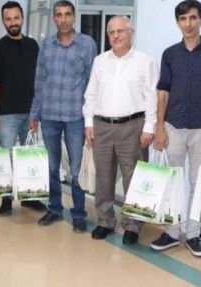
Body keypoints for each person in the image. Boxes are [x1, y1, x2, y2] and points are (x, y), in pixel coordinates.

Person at [150, 0, 201, 257]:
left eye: (193, 17)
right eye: (183, 19)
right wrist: (160, 128)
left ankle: (193, 234)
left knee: (198, 182)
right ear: (178, 22)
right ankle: (173, 232)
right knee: (173, 179)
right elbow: (163, 92)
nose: (188, 23)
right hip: (173, 126)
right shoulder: (170, 54)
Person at [83, 16, 158, 245]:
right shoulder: (100, 61)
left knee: (133, 178)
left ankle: (133, 225)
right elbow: (91, 94)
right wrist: (88, 123)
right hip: (102, 127)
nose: (115, 36)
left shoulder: (145, 61)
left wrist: (149, 127)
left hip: (132, 127)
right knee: (103, 178)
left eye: (120, 31)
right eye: (111, 32)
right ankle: (105, 220)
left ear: (131, 32)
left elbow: (152, 97)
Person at [29, 0, 97, 232]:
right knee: (51, 166)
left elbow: (92, 83)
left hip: (76, 118)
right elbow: (39, 81)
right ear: (54, 19)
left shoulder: (87, 44)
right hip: (49, 116)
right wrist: (34, 112)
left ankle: (79, 213)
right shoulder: (46, 45)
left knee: (76, 170)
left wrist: (90, 119)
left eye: (68, 14)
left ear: (74, 17)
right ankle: (55, 209)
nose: (64, 19)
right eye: (59, 14)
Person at [0, 1, 46, 216]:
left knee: (29, 156)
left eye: (16, 18)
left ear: (22, 18)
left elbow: (39, 80)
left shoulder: (33, 45)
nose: (13, 22)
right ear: (3, 21)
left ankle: (30, 197)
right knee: (7, 158)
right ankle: (6, 200)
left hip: (30, 112)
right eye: (8, 19)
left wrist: (37, 111)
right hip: (6, 114)